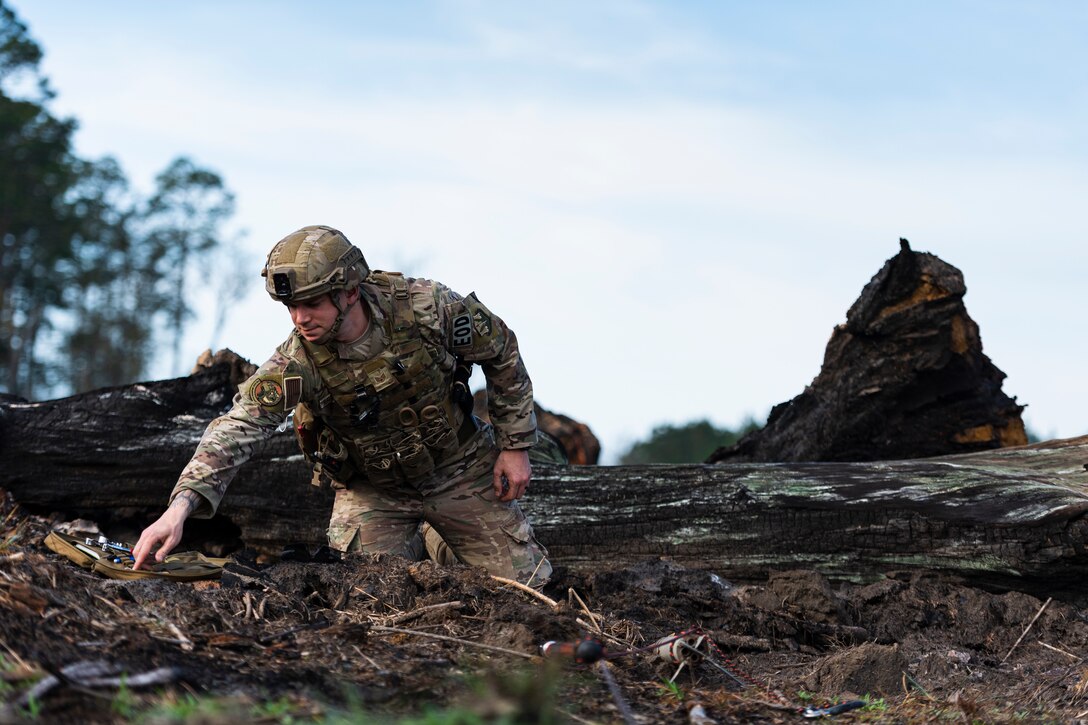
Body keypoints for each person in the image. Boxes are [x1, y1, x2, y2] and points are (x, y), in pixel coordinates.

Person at [132, 225, 551, 585]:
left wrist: (515, 446)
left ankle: (440, 537)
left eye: (312, 303)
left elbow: (501, 351)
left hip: (459, 468)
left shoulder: (427, 309)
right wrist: (179, 508)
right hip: (374, 491)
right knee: (367, 595)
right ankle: (423, 535)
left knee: (526, 588)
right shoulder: (298, 362)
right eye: (291, 306)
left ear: (349, 292)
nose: (300, 318)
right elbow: (238, 427)